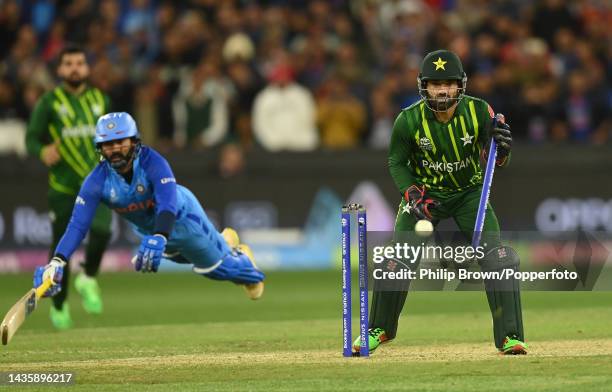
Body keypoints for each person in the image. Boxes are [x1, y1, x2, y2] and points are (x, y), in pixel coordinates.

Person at [353, 49, 526, 355]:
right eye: (435, 84)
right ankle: (378, 329)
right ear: (424, 86)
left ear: (461, 85)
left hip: (469, 194)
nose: (443, 89)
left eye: (449, 83)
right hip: (425, 197)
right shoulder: (408, 120)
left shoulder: (479, 111)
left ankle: (510, 337)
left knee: (499, 259)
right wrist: (411, 194)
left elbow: (494, 161)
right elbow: (397, 162)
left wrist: (503, 150)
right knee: (396, 260)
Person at [32, 112, 265, 306]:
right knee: (186, 259)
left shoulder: (153, 161)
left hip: (182, 220)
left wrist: (160, 236)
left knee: (216, 270)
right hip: (151, 232)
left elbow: (167, 203)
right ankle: (223, 241)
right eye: (108, 144)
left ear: (134, 142)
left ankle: (244, 263)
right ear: (99, 148)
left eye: (120, 142)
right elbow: (77, 225)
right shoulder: (96, 181)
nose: (114, 149)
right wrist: (57, 262)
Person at [25, 45, 113, 329]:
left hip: (96, 182)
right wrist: (42, 151)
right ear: (60, 69)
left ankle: (88, 277)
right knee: (62, 250)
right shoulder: (49, 102)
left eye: (79, 63)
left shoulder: (101, 99)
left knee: (102, 231)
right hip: (62, 187)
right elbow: (31, 138)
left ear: (87, 68)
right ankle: (60, 306)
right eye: (68, 64)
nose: (74, 68)